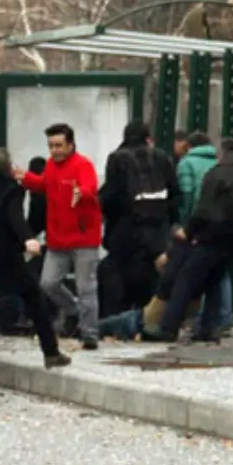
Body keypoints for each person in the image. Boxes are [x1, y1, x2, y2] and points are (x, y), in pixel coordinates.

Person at [0, 148, 71, 400]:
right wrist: (28, 239)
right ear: (9, 168)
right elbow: (14, 218)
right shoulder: (11, 189)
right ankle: (50, 351)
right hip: (6, 257)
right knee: (34, 299)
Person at [146, 138, 233, 341]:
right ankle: (208, 328)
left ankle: (168, 327)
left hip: (209, 237)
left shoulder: (215, 174)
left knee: (186, 280)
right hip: (231, 241)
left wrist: (190, 231)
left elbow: (204, 209)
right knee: (213, 281)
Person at [15, 123, 102, 349]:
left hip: (83, 238)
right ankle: (73, 310)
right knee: (48, 283)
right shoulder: (52, 166)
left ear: (71, 145)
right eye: (51, 146)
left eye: (58, 145)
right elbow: (45, 185)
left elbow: (90, 187)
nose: (54, 151)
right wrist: (26, 178)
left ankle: (90, 333)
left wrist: (80, 192)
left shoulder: (83, 165)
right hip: (58, 238)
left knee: (86, 287)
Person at [98, 121, 180, 318]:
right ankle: (149, 322)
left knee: (117, 279)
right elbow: (175, 194)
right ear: (147, 138)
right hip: (158, 234)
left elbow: (111, 198)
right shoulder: (161, 157)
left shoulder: (118, 158)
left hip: (126, 233)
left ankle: (117, 323)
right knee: (152, 282)